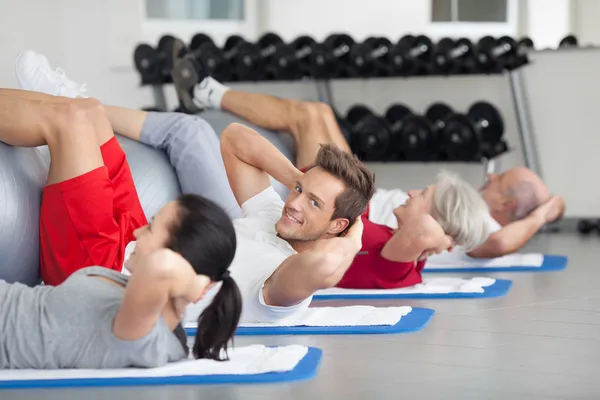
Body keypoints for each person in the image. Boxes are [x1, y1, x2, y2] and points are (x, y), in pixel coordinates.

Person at [16, 50, 373, 323]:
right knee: (90, 111)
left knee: (70, 122)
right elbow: (235, 140)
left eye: (314, 204)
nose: (294, 204)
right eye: (299, 193)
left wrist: (353, 235)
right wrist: (301, 181)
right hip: (134, 238)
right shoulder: (273, 216)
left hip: (105, 277)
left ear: (338, 225)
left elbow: (325, 268)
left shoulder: (282, 283)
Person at [170, 53, 565, 261]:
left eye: (500, 182)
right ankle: (205, 93)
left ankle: (204, 92)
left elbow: (500, 244)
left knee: (307, 115)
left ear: (508, 204)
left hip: (351, 205)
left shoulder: (473, 227)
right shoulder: (469, 213)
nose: (490, 179)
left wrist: (544, 213)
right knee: (319, 113)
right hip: (367, 189)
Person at [0, 86, 242, 369]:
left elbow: (160, 267)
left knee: (69, 123)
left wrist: (196, 284)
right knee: (90, 112)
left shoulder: (143, 335)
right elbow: (159, 264)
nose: (141, 231)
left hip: (97, 260)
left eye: (151, 230)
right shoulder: (150, 306)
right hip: (109, 266)